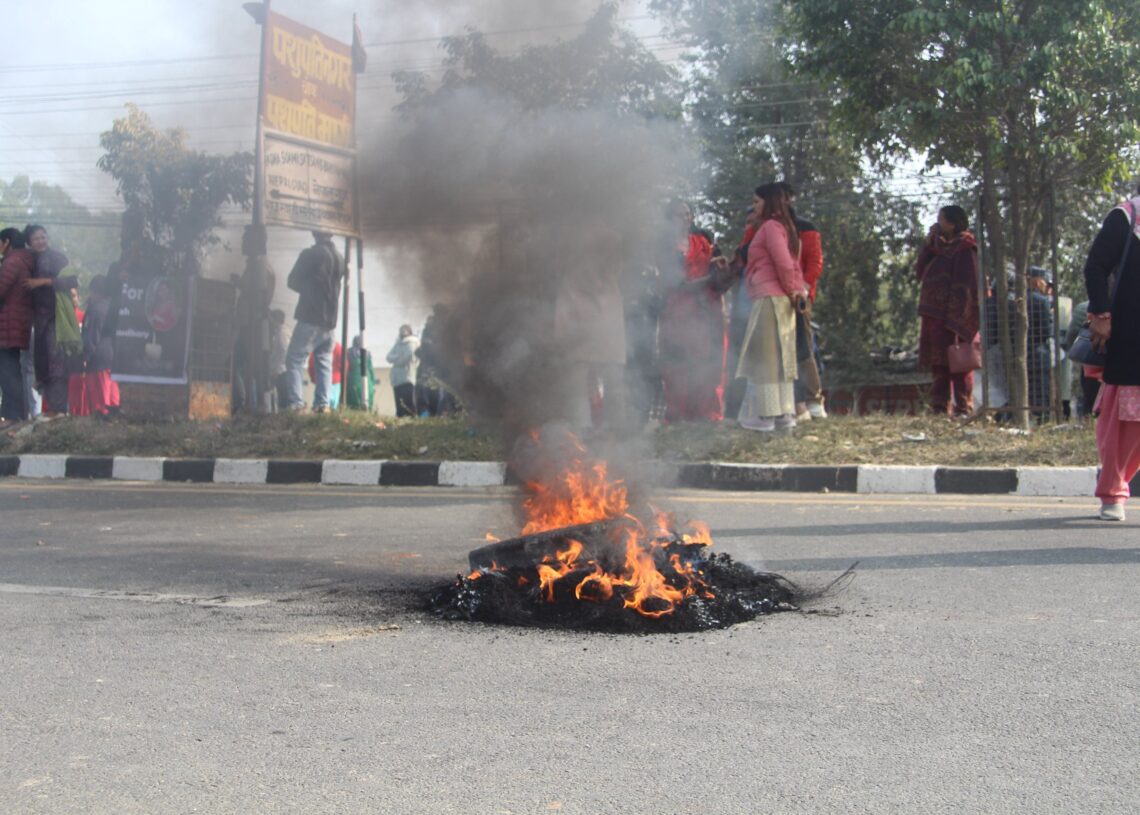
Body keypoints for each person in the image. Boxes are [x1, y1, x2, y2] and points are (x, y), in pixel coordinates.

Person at [1084, 187, 1140, 521]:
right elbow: (1095, 267)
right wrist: (1101, 314)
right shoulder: (1125, 217)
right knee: (1125, 423)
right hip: (1131, 336)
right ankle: (1112, 491)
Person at [736, 183, 805, 432]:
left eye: (756, 202)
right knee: (780, 357)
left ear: (769, 202)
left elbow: (785, 264)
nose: (753, 207)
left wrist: (792, 290)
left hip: (770, 299)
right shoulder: (782, 228)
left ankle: (766, 416)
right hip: (780, 299)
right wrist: (795, 292)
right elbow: (793, 266)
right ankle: (784, 414)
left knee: (766, 358)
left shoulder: (770, 228)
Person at [657, 200, 728, 422]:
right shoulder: (663, 248)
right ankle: (678, 413)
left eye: (688, 214)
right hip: (677, 313)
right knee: (676, 365)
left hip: (705, 311)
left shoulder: (703, 241)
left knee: (708, 362)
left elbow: (717, 271)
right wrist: (705, 280)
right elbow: (673, 283)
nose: (685, 218)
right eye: (679, 215)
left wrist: (721, 269)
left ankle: (708, 413)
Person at [915, 205, 980, 417]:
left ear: (951, 224)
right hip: (935, 317)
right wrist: (928, 245)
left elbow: (968, 284)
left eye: (941, 220)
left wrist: (959, 316)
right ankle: (939, 408)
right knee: (939, 364)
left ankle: (963, 409)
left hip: (956, 318)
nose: (937, 223)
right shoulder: (937, 247)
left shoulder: (965, 248)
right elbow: (920, 270)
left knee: (959, 364)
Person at [778, 181, 827, 421]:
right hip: (776, 298)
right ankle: (793, 403)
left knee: (804, 348)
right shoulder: (768, 228)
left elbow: (814, 263)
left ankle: (814, 400)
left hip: (800, 298)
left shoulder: (806, 228)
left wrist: (802, 290)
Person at [282, 231, 343, 412]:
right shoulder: (339, 258)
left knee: (294, 359)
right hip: (330, 320)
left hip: (311, 315)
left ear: (315, 235)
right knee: (324, 361)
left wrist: (309, 290)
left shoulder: (310, 255)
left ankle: (296, 403)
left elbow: (292, 281)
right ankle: (323, 404)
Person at [23, 225, 80, 415]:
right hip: (39, 322)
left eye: (43, 237)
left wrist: (44, 281)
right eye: (36, 239)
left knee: (58, 365)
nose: (41, 241)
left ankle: (59, 411)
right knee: (43, 367)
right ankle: (52, 411)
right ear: (29, 243)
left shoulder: (57, 258)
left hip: (57, 319)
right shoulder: (29, 260)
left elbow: (72, 281)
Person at [0, 227, 35, 424]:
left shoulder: (12, 261)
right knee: (11, 370)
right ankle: (13, 414)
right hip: (16, 324)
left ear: (7, 242)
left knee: (7, 371)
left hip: (8, 325)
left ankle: (13, 415)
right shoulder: (24, 260)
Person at [80, 275, 120, 417]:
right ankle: (113, 412)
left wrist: (86, 355)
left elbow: (92, 335)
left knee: (99, 389)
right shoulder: (112, 306)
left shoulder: (96, 309)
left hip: (98, 355)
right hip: (110, 353)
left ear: (94, 291)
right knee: (110, 385)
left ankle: (102, 414)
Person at [1027, 267, 1055, 419]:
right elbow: (1046, 330)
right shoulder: (1042, 301)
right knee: (1040, 390)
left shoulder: (1015, 298)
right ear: (1037, 281)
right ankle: (1041, 419)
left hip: (1017, 352)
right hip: (1038, 351)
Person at [386, 324, 419, 417]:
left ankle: (411, 418)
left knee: (408, 402)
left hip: (408, 378)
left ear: (409, 332)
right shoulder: (398, 343)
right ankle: (400, 417)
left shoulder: (412, 343)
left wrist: (396, 360)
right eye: (401, 331)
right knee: (399, 402)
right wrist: (397, 356)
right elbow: (388, 357)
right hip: (397, 379)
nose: (402, 333)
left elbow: (406, 358)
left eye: (404, 331)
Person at [345, 335, 376, 411]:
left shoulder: (348, 352)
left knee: (352, 402)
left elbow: (345, 367)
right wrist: (373, 383)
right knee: (366, 400)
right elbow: (371, 369)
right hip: (367, 381)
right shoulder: (367, 353)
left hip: (352, 380)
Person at [267, 309, 287, 412]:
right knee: (276, 394)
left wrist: (276, 368)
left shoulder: (281, 333)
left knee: (281, 394)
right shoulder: (279, 333)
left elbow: (283, 351)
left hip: (280, 371)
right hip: (278, 369)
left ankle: (281, 413)